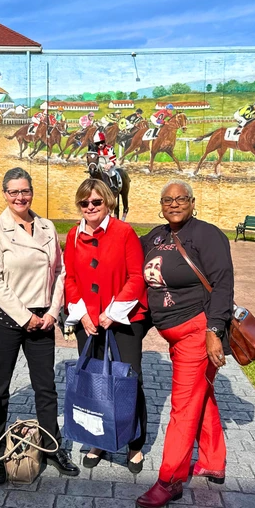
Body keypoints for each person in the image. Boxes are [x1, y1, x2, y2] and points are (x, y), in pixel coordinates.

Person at [136, 179, 234, 508]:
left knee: (182, 409)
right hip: (173, 333)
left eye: (181, 199)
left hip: (197, 331)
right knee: (200, 396)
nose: (174, 204)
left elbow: (222, 284)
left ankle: (171, 480)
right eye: (167, 200)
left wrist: (214, 330)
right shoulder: (156, 236)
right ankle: (212, 460)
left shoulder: (207, 235)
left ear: (193, 202)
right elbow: (127, 253)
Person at [0, 167, 79, 484]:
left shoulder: (47, 226)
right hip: (5, 319)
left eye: (25, 191)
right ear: (5, 193)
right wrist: (26, 316)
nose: (20, 197)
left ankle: (52, 446)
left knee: (45, 386)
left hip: (43, 318)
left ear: (32, 191)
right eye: (13, 192)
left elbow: (60, 273)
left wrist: (53, 312)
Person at [64, 179, 148, 474]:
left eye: (96, 202)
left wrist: (112, 312)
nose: (90, 208)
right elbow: (69, 278)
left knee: (128, 381)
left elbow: (137, 277)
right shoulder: (74, 235)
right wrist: (83, 314)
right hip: (88, 322)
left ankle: (134, 443)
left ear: (108, 203)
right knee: (94, 382)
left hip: (122, 320)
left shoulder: (124, 232)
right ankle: (98, 439)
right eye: (84, 203)